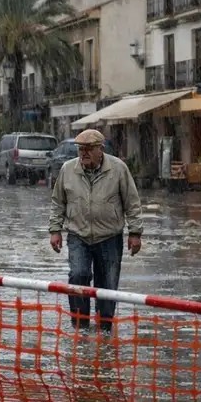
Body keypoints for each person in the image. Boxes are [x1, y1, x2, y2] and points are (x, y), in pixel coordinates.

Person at [48, 128, 142, 332]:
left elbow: (132, 202)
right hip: (78, 235)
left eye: (89, 149)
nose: (84, 153)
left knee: (107, 284)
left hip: (109, 236)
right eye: (81, 149)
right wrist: (55, 230)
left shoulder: (118, 169)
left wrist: (135, 233)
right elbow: (58, 203)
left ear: (101, 149)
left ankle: (105, 328)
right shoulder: (67, 169)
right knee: (78, 276)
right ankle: (80, 324)